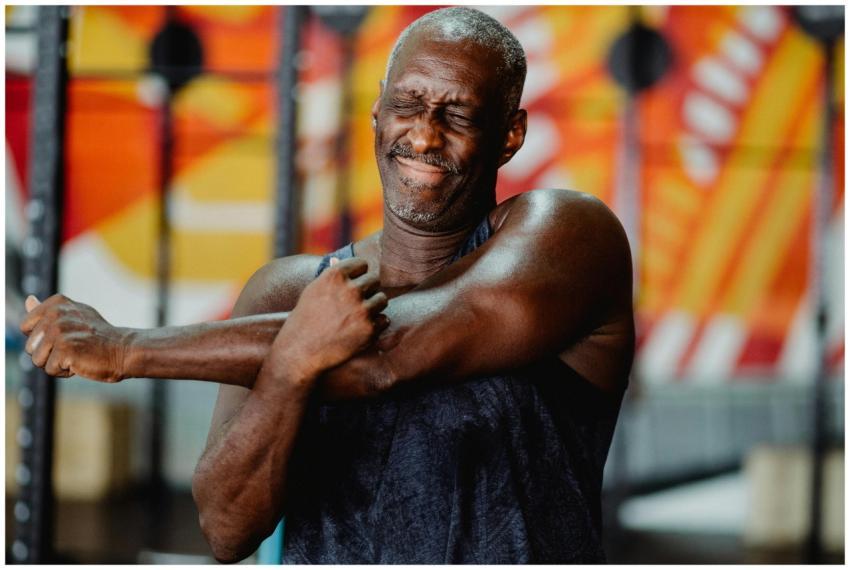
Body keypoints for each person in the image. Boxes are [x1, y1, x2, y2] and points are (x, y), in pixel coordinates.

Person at [20, 7, 634, 564]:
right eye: (408, 105)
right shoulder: (285, 295)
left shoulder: (570, 236)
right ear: (377, 112)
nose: (424, 135)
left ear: (510, 134)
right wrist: (289, 370)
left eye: (459, 115)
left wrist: (125, 348)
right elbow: (227, 531)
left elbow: (389, 353)